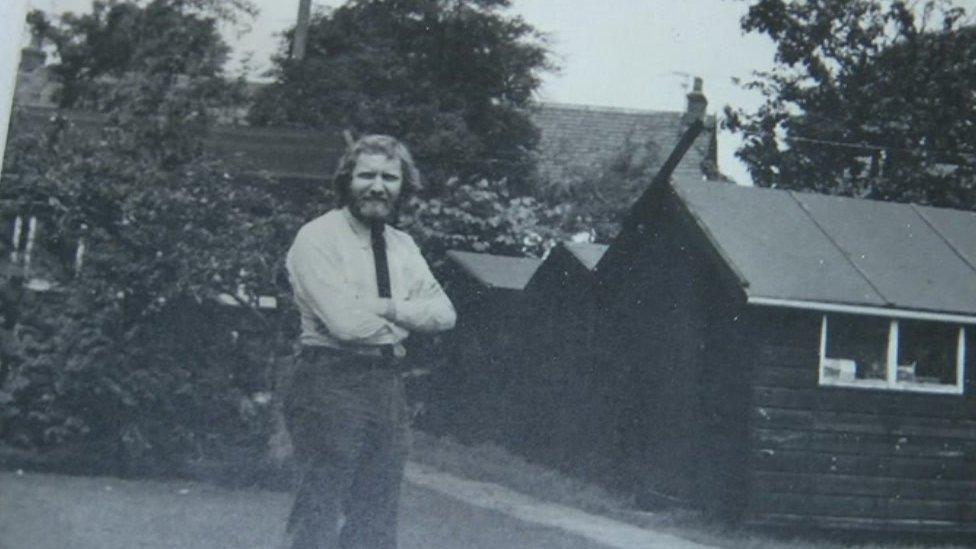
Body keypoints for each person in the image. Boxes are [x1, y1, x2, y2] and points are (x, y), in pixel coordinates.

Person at [276, 134, 456, 549]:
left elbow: (445, 314)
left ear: (402, 186)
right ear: (347, 180)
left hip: (387, 386)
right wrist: (409, 318)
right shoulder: (317, 238)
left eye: (389, 177)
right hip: (329, 382)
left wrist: (386, 308)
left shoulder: (403, 246)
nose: (378, 186)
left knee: (377, 515)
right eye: (367, 175)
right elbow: (346, 327)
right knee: (318, 510)